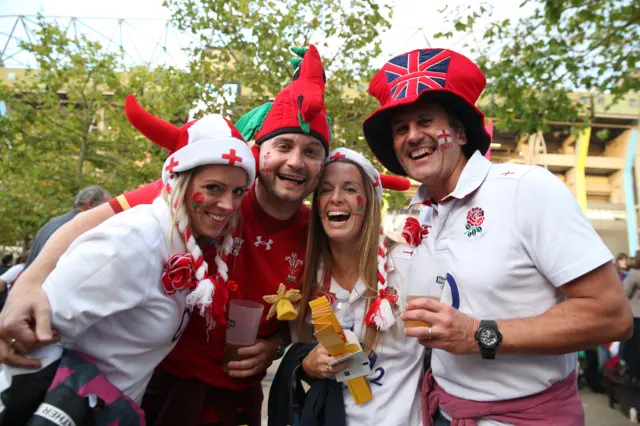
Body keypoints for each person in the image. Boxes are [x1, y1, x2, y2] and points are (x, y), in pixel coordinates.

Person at [0, 44, 330, 426]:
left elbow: (310, 319)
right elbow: (87, 223)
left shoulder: (319, 232)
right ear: (259, 153)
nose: (295, 161)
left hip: (238, 398)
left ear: (322, 165)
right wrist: (29, 283)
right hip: (157, 390)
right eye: (284, 146)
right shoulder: (203, 191)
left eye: (311, 151)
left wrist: (274, 346)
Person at [362, 47, 633, 425]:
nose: (412, 136)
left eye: (425, 121)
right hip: (444, 412)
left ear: (459, 133)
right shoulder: (415, 216)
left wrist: (478, 334)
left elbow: (611, 315)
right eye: (400, 129)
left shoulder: (525, 188)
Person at [0, 95, 255, 422]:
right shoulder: (134, 239)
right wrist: (74, 406)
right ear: (179, 181)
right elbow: (26, 338)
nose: (227, 205)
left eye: (237, 192)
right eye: (214, 188)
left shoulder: (182, 242)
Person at [269, 147, 422, 426]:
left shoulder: (407, 265)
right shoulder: (305, 276)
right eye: (326, 190)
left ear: (370, 202)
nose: (336, 199)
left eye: (350, 189)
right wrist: (307, 365)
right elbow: (295, 347)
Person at [24, 185, 111, 269]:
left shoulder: (50, 224)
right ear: (90, 204)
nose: (108, 213)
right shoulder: (81, 229)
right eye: (105, 207)